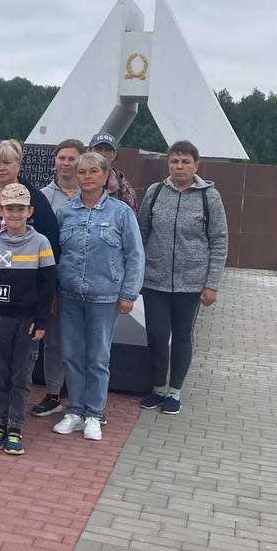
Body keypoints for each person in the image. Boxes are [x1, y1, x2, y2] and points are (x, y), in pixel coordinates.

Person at [53, 152, 144, 441]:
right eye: (82, 172)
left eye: (94, 172)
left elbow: (135, 255)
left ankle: (94, 413)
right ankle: (75, 411)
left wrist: (128, 294)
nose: (87, 177)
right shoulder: (65, 212)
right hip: (69, 297)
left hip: (104, 298)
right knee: (72, 356)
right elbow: (56, 256)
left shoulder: (120, 213)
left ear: (105, 177)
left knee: (98, 358)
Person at [137, 140, 228, 415]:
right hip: (154, 279)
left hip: (191, 282)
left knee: (182, 336)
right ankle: (157, 388)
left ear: (196, 165)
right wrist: (136, 274)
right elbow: (141, 234)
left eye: (185, 161)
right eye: (175, 161)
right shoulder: (155, 193)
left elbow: (219, 241)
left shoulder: (209, 197)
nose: (179, 166)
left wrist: (211, 284)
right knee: (156, 334)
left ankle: (174, 391)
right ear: (168, 163)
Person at [0, 140, 59, 418]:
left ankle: (13, 410)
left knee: (19, 354)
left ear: (18, 165)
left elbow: (51, 242)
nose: (1, 167)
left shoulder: (33, 197)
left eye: (7, 162)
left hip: (22, 286)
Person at [0, 184, 56, 455]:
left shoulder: (41, 243)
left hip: (27, 321)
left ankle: (15, 427)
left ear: (29, 211)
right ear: (1, 211)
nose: (14, 213)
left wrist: (41, 320)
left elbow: (48, 285)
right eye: (9, 208)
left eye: (20, 209)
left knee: (21, 376)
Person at [31, 138, 84, 417]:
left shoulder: (90, 196)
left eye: (71, 158)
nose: (65, 163)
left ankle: (81, 398)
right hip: (51, 280)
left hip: (82, 282)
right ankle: (53, 393)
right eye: (61, 158)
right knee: (52, 341)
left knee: (79, 343)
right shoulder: (42, 197)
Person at [88, 132, 139, 211]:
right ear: (89, 151)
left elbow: (131, 220)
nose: (103, 154)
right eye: (98, 149)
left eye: (108, 150)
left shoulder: (123, 189)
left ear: (114, 155)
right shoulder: (77, 181)